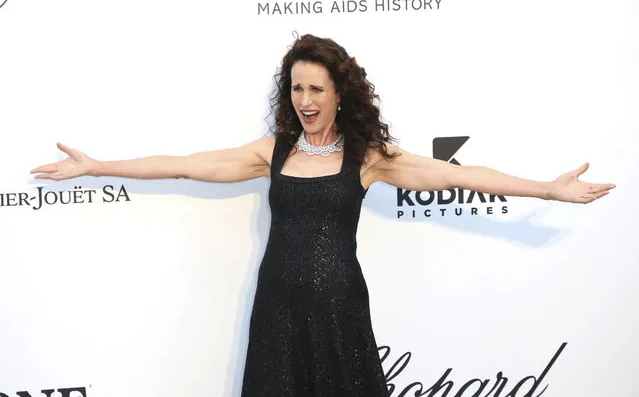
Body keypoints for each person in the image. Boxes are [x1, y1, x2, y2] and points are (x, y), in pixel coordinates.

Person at [30, 34, 615, 397]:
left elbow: (460, 175)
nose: (304, 101)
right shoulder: (273, 151)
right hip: (278, 309)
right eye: (295, 89)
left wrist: (544, 188)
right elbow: (189, 164)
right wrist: (98, 165)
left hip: (338, 310)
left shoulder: (368, 158)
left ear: (339, 93)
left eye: (315, 89)